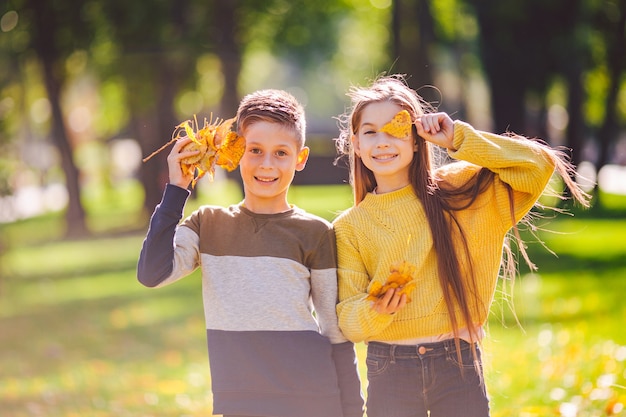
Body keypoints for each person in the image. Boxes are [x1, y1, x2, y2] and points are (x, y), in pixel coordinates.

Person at [332, 74, 590, 417]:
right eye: (370, 132)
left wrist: (458, 138)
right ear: (355, 144)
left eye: (395, 128)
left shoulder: (460, 190)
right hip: (389, 366)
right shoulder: (348, 228)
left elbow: (538, 167)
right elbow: (348, 319)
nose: (382, 141)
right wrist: (375, 309)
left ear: (415, 138)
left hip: (457, 361)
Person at [137, 89, 364, 417]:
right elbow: (151, 273)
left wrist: (353, 412)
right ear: (234, 151)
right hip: (238, 403)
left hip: (312, 400)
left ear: (299, 159)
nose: (267, 165)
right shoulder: (207, 225)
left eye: (281, 153)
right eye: (254, 150)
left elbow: (334, 332)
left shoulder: (315, 233)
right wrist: (177, 190)